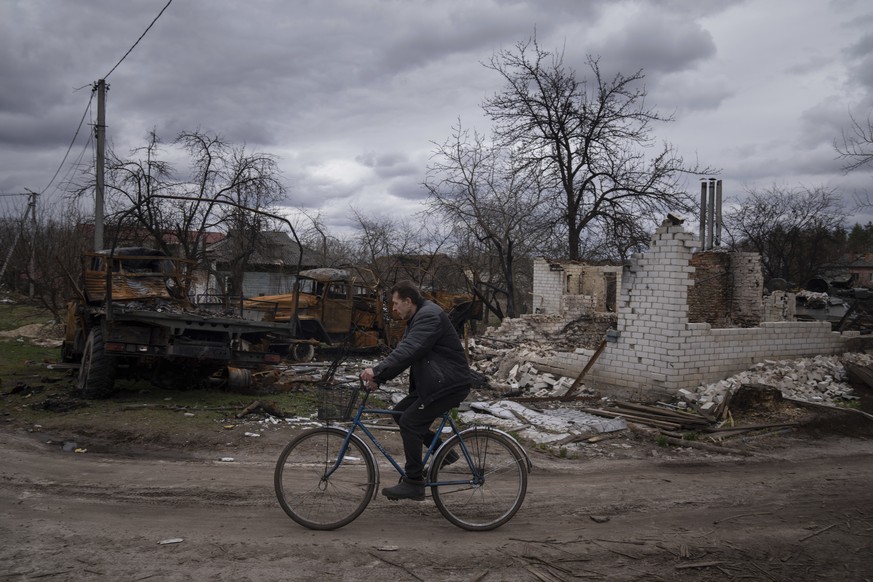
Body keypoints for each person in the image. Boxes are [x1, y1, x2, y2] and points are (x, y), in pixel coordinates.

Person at [360, 280, 471, 501]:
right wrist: (379, 378)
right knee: (399, 414)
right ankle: (443, 453)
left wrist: (377, 370)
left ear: (408, 301)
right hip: (436, 383)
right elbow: (405, 353)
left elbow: (410, 350)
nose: (393, 309)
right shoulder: (418, 317)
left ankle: (413, 483)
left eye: (395, 303)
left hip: (449, 384)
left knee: (410, 422)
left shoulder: (428, 316)